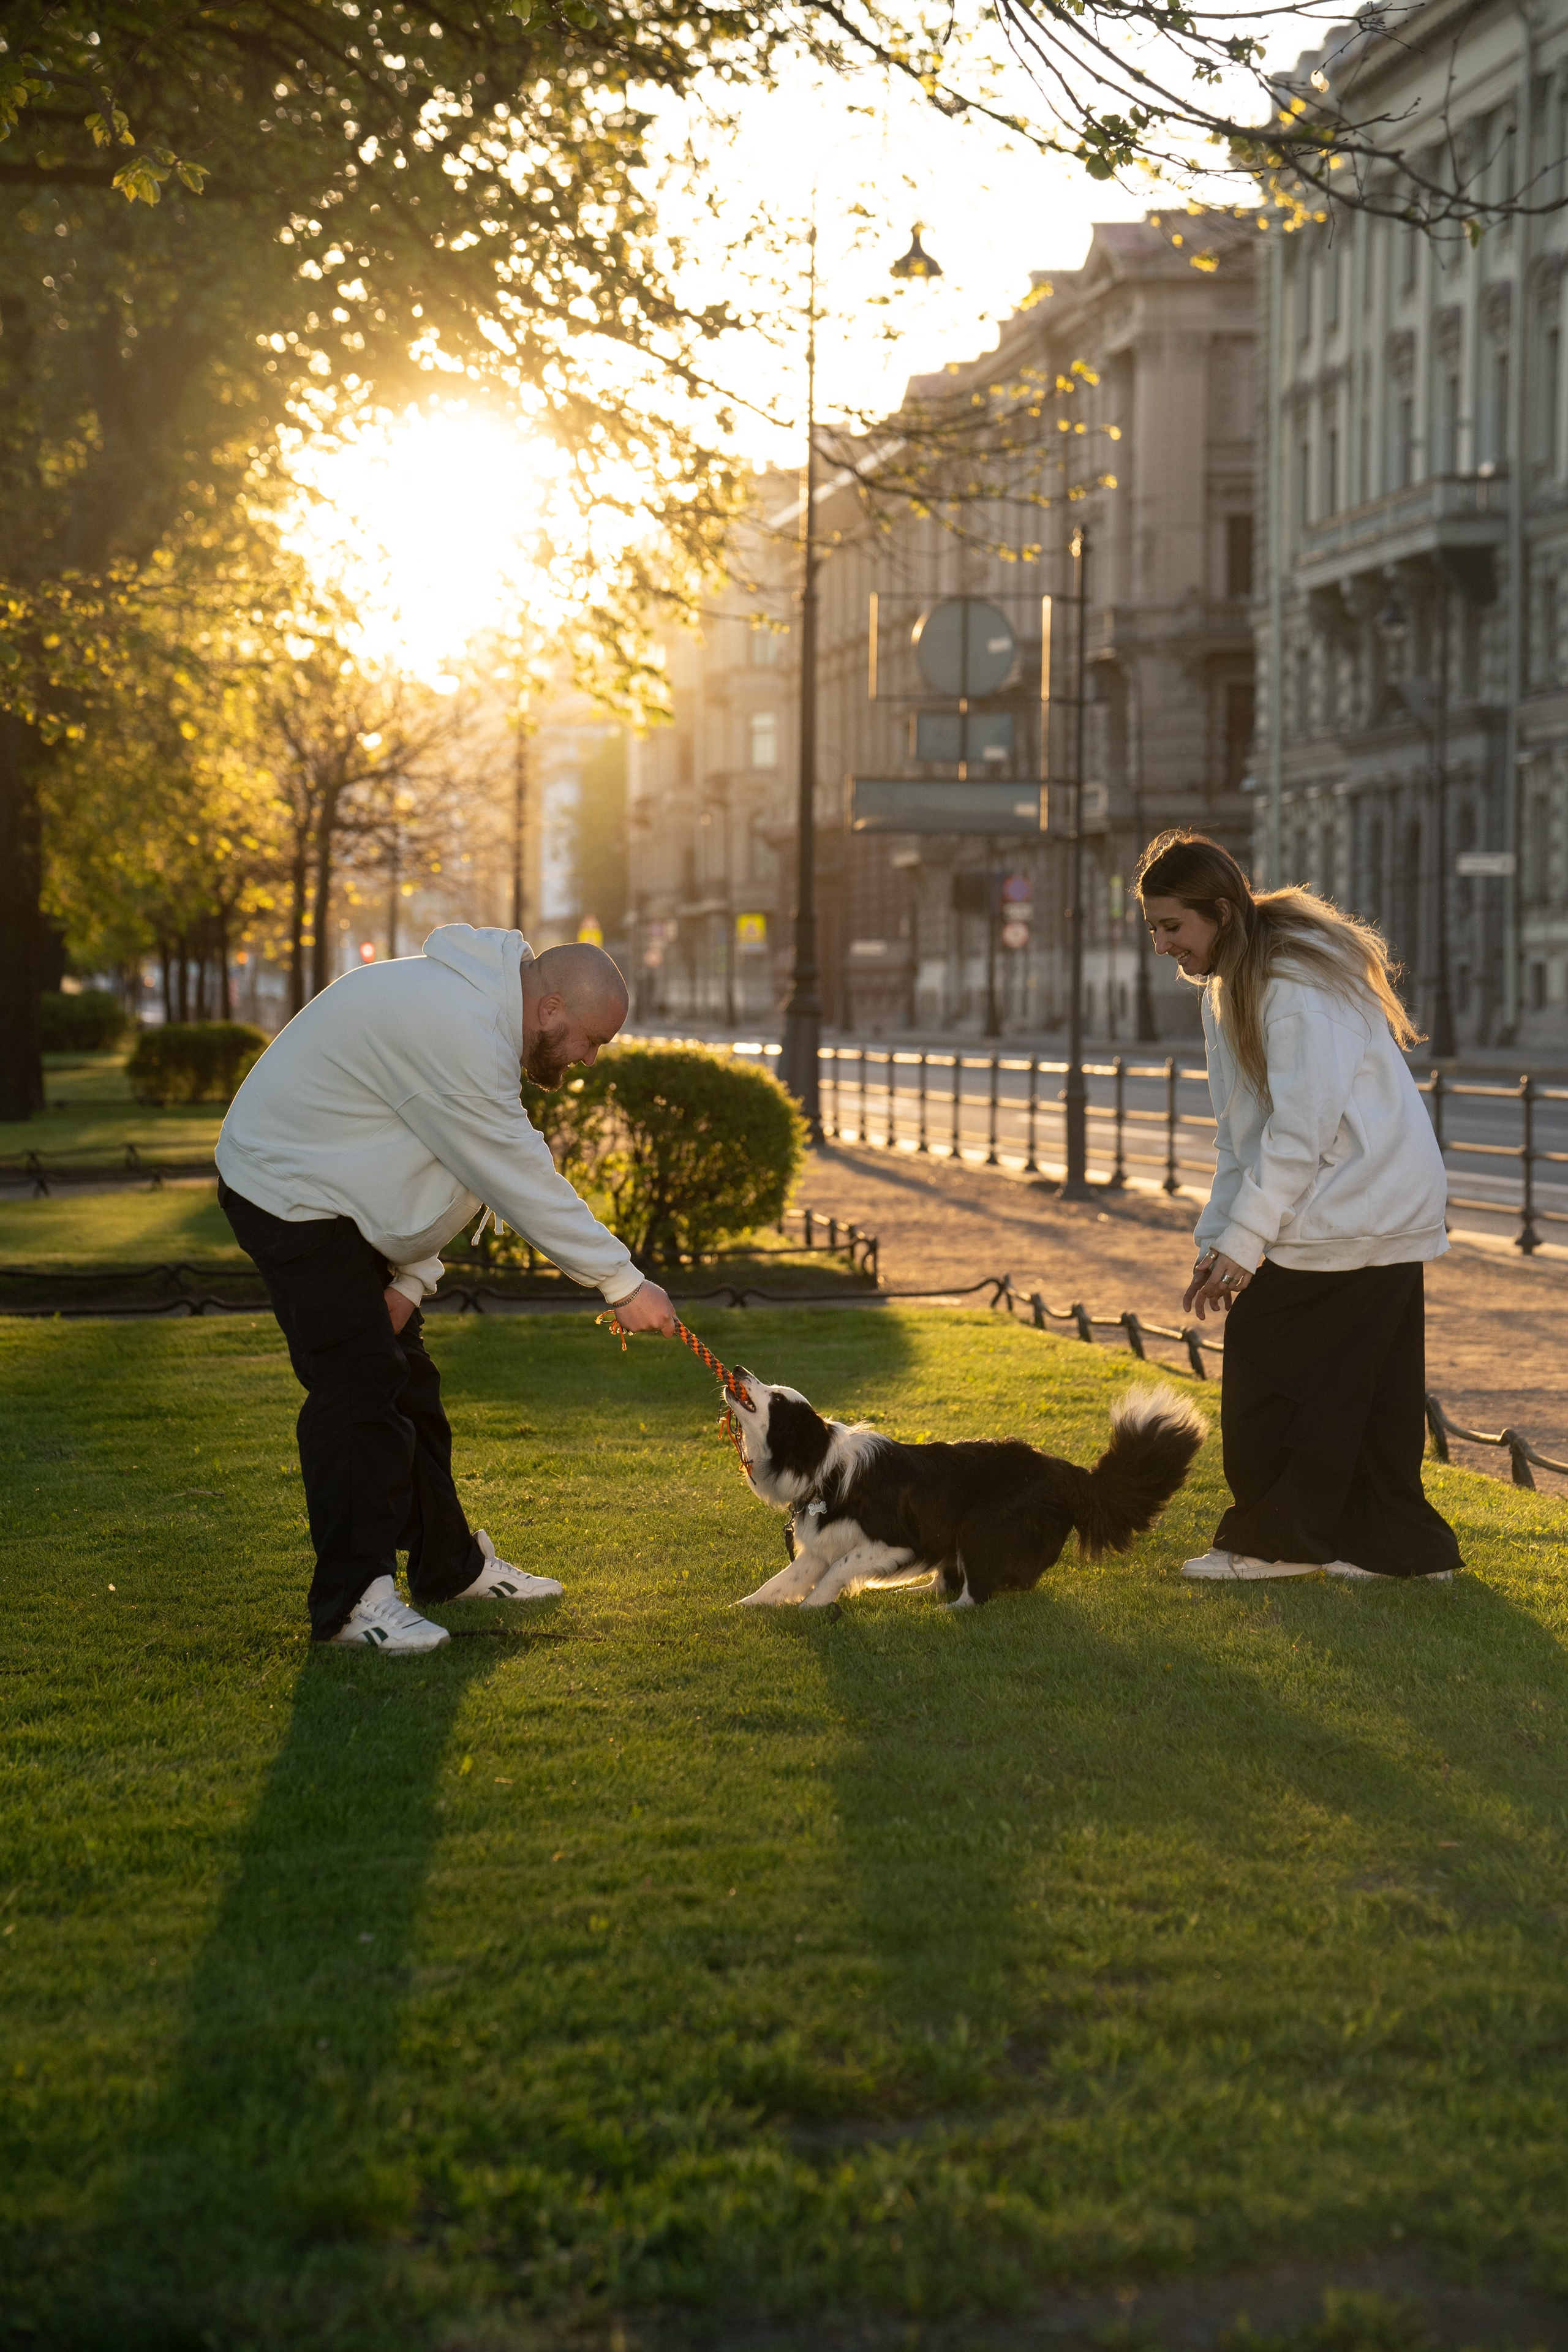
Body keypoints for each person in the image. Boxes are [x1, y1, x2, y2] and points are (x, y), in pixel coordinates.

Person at [216, 925, 677, 1651]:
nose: (588, 1060)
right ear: (550, 1006)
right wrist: (621, 1282)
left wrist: (412, 1276)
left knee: (409, 1386)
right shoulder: (457, 1024)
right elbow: (512, 1172)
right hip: (287, 1192)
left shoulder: (482, 1023)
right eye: (593, 1040)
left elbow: (451, 1166)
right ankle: (350, 1604)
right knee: (358, 1385)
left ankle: (448, 1566)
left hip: (345, 1199)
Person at [1135, 830, 1460, 1585]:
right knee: (1368, 1394)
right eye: (1152, 928)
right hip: (1359, 1207)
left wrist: (1244, 1246)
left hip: (1356, 1208)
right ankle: (1402, 1552)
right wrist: (1219, 1238)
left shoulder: (1290, 985)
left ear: (1218, 912)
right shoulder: (1234, 983)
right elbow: (1240, 1132)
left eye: (1171, 926)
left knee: (1266, 1369)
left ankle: (1275, 1545)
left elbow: (1299, 1130)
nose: (1161, 944)